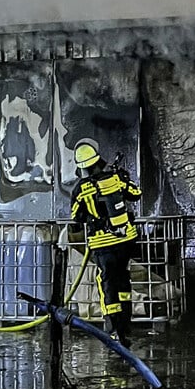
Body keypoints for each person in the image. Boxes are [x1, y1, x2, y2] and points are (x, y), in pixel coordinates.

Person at [70, 137, 142, 348]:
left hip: (103, 244)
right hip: (126, 240)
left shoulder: (82, 188)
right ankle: (125, 326)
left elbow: (76, 216)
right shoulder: (116, 178)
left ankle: (112, 329)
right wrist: (123, 178)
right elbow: (135, 194)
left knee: (107, 284)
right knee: (123, 282)